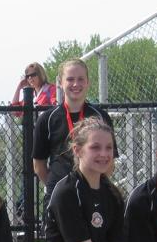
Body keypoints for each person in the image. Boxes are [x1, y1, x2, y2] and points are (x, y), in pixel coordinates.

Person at [33, 58, 117, 200]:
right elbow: (38, 165)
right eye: (70, 79)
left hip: (92, 194)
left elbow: (110, 161)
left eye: (80, 79)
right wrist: (59, 188)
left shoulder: (101, 117)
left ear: (88, 82)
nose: (76, 84)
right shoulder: (47, 119)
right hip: (58, 196)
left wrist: (95, 184)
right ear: (60, 83)